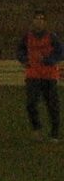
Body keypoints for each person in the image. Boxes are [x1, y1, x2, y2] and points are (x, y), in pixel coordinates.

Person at [16, 8, 61, 141]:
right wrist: (24, 60)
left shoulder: (52, 36)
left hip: (49, 75)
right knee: (31, 104)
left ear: (45, 22)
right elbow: (20, 50)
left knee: (52, 105)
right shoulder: (27, 36)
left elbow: (60, 52)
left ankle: (54, 133)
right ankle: (36, 129)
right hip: (33, 75)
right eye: (37, 19)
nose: (39, 21)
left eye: (42, 19)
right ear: (33, 21)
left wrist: (49, 60)